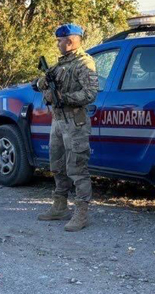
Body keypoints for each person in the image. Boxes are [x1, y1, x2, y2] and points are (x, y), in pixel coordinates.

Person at [33, 23, 98, 232]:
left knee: (77, 168)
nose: (58, 44)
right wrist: (43, 85)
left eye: (60, 40)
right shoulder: (61, 65)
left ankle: (82, 212)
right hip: (59, 122)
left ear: (70, 41)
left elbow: (90, 94)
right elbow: (40, 83)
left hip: (75, 123)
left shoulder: (84, 64)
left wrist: (62, 97)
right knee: (57, 165)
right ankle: (60, 205)